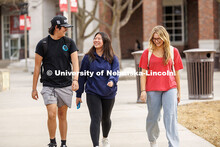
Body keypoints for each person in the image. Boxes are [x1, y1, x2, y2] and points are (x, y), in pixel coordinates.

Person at [32, 15, 79, 147]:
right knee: (52, 114)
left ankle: (64, 143)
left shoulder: (69, 43)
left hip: (65, 84)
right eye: (64, 27)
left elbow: (75, 63)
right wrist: (34, 88)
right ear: (57, 27)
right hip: (49, 85)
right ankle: (52, 142)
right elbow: (37, 67)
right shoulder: (43, 44)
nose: (66, 30)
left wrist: (75, 79)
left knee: (62, 114)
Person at [139, 25, 183, 147]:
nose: (156, 41)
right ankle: (152, 140)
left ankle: (173, 144)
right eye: (154, 39)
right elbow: (143, 74)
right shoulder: (147, 53)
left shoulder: (173, 51)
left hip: (170, 88)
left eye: (159, 38)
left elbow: (177, 73)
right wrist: (143, 90)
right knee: (153, 117)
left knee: (171, 117)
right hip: (152, 89)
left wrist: (179, 92)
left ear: (164, 37)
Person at [76, 32, 119, 147]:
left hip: (108, 92)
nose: (96, 40)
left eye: (99, 39)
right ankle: (96, 145)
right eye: (95, 38)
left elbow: (115, 72)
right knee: (95, 118)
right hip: (92, 92)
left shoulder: (112, 57)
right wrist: (78, 95)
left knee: (106, 118)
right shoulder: (88, 57)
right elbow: (82, 76)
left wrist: (112, 80)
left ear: (105, 42)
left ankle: (105, 138)